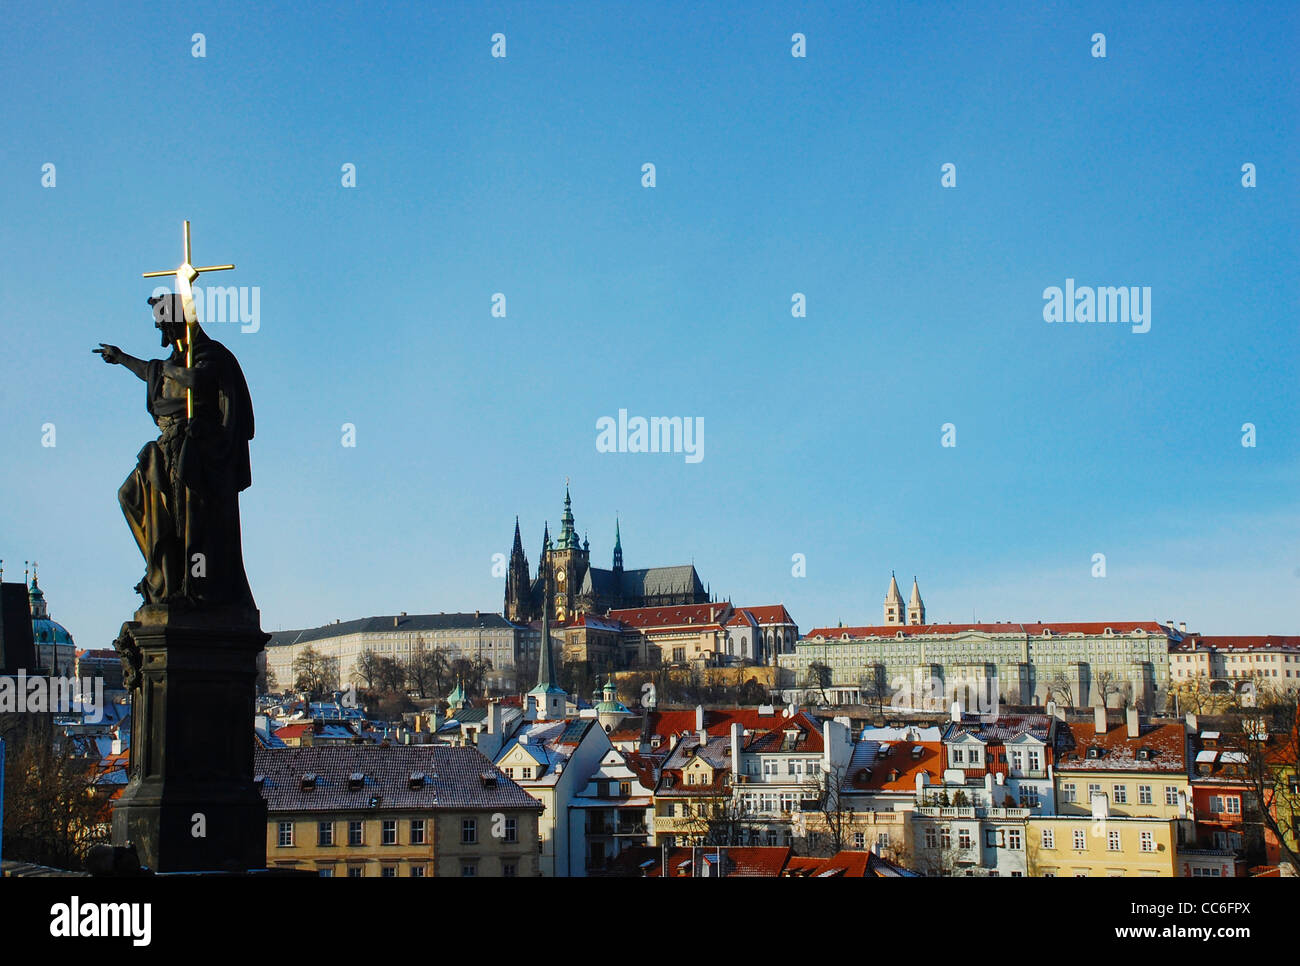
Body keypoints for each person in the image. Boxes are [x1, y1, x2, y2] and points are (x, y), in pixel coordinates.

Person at [95, 293, 257, 616]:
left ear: (176, 323)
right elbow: (150, 370)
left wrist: (171, 371)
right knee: (130, 495)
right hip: (166, 447)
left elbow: (199, 380)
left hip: (198, 450)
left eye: (163, 326)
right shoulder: (171, 362)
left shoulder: (211, 353)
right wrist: (121, 357)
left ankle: (192, 587)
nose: (161, 334)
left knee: (188, 519)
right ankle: (164, 577)